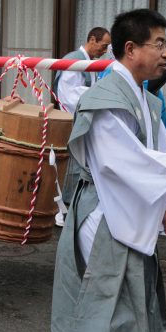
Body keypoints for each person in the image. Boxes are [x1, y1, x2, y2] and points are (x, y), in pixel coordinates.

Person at [50, 9, 166, 332]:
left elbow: (153, 150)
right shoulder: (104, 98)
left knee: (131, 313)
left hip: (126, 211)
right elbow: (119, 161)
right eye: (160, 44)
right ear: (130, 49)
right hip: (104, 217)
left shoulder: (142, 98)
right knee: (106, 315)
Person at [52, 27, 111, 226]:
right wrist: (96, 96)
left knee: (80, 166)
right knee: (71, 167)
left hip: (82, 120)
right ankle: (61, 210)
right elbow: (67, 95)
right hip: (71, 121)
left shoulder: (89, 62)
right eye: (104, 46)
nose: (105, 51)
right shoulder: (74, 59)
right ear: (92, 40)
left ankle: (73, 208)